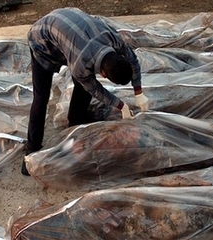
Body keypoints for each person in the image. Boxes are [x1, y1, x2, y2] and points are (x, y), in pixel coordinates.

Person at [22, 7, 149, 176]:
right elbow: (96, 89)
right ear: (103, 73)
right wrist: (121, 105)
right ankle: (31, 151)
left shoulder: (114, 38)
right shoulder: (80, 64)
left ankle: (76, 119)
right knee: (41, 97)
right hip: (42, 38)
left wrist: (138, 92)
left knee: (82, 85)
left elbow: (132, 60)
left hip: (68, 23)